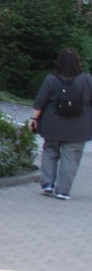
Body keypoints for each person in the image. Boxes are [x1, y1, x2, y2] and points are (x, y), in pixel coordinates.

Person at [29, 48, 92, 200]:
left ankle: (47, 184)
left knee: (50, 151)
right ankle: (63, 191)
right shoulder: (86, 79)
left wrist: (33, 119)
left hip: (53, 123)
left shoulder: (51, 79)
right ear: (77, 62)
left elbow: (40, 101)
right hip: (78, 126)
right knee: (71, 157)